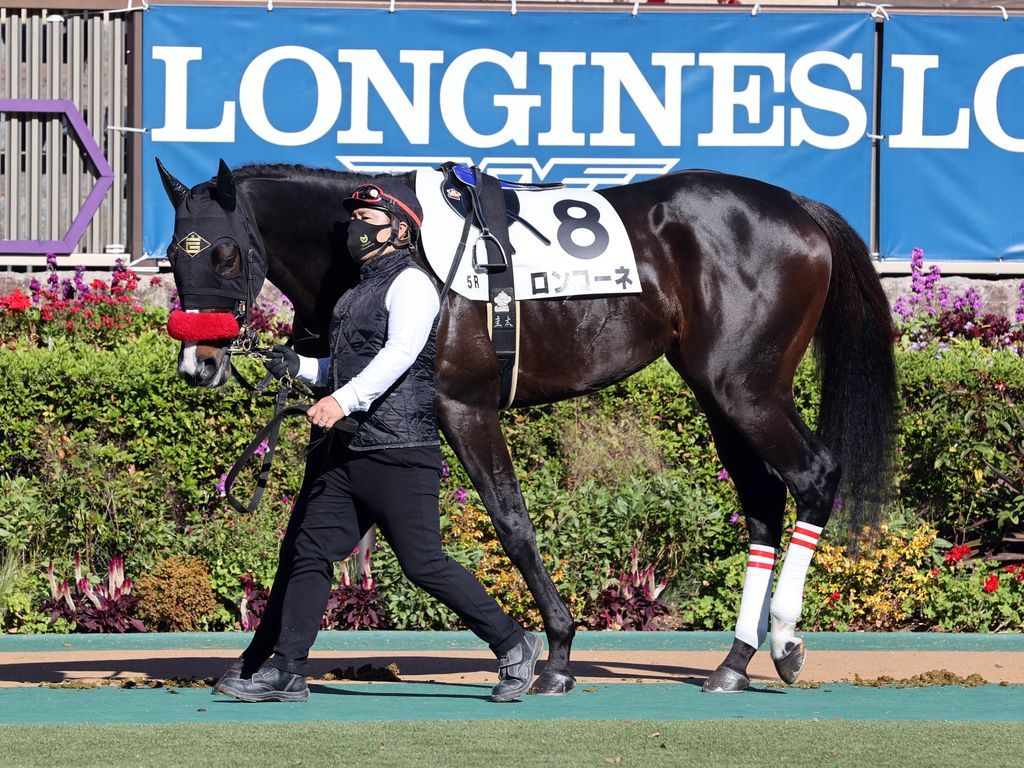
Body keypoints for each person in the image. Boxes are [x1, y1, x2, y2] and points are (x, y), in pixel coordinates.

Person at [217, 178, 540, 703]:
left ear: (400, 230)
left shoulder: (412, 285)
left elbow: (399, 355)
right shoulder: (355, 292)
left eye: (368, 221)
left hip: (399, 449)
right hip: (347, 451)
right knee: (309, 551)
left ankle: (513, 642)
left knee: (423, 564)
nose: (356, 229)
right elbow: (345, 366)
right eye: (354, 221)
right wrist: (298, 366)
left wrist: (342, 401)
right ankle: (288, 669)